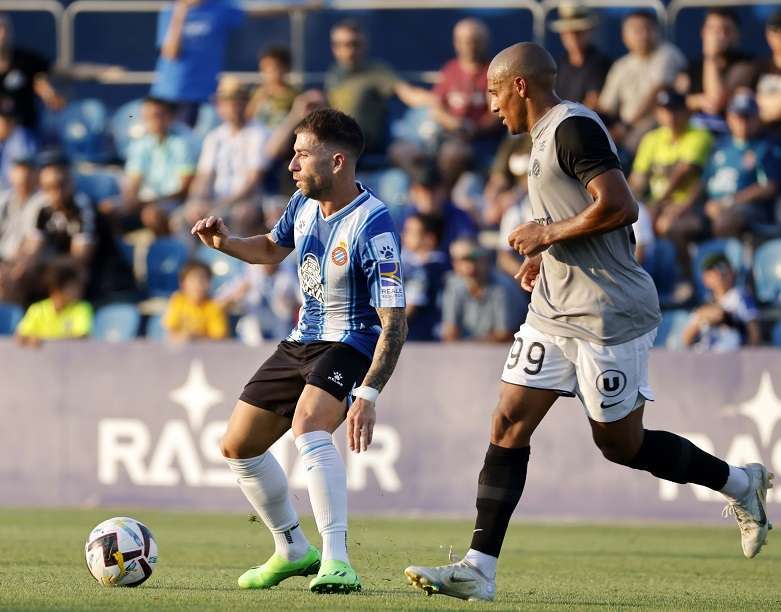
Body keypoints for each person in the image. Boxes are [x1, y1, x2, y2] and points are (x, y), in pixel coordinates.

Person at [405, 42, 772, 603]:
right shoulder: (540, 139)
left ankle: (742, 483)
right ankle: (479, 567)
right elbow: (579, 214)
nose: (492, 105)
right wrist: (544, 256)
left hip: (608, 314)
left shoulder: (573, 128)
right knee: (507, 422)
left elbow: (622, 205)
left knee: (622, 446)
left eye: (494, 92)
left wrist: (547, 235)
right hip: (554, 309)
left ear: (520, 85)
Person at [191, 109, 407, 594]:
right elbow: (271, 248)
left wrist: (368, 393)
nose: (291, 165)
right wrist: (224, 243)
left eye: (301, 154)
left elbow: (394, 322)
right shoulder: (303, 203)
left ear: (336, 161)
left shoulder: (375, 227)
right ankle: (292, 548)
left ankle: (337, 561)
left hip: (351, 341)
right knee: (237, 446)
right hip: (301, 339)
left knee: (307, 426)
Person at [630, 88, 712, 284]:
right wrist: (632, 201)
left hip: (691, 206)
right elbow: (637, 177)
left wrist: (655, 206)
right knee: (632, 221)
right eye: (665, 110)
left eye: (675, 109)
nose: (670, 116)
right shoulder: (652, 139)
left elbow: (681, 176)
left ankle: (688, 279)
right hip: (657, 206)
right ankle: (639, 280)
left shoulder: (699, 135)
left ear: (686, 111)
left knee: (667, 226)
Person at [325, 20, 432, 156]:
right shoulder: (333, 74)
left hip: (362, 145)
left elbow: (407, 93)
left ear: (364, 45)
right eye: (340, 45)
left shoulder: (377, 72)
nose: (349, 51)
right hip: (335, 143)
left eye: (355, 44)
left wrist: (436, 101)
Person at [183, 76, 271, 236]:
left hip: (249, 200)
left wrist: (221, 204)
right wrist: (196, 200)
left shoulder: (259, 133)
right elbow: (204, 176)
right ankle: (194, 260)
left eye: (237, 101)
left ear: (246, 104)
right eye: (226, 102)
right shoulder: (214, 137)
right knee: (182, 218)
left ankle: (235, 260)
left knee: (241, 215)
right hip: (217, 201)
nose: (233, 107)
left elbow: (253, 180)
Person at [102, 97, 196, 235]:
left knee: (152, 214)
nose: (151, 121)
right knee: (106, 209)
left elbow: (184, 190)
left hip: (175, 203)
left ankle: (168, 252)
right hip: (145, 202)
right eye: (147, 117)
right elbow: (134, 181)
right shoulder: (140, 144)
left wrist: (145, 202)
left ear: (169, 116)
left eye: (157, 116)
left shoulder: (184, 142)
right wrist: (129, 201)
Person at [598, 11, 687, 151]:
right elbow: (607, 107)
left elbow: (657, 92)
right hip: (625, 126)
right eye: (637, 30)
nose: (644, 35)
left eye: (649, 28)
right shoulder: (621, 65)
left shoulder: (667, 54)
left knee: (632, 143)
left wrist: (626, 126)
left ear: (658, 31)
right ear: (624, 36)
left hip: (659, 122)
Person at [151, 0, 245, 126]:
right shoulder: (170, 11)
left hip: (206, 94)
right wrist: (179, 15)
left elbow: (258, 11)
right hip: (171, 92)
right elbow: (171, 53)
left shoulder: (221, 7)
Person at [701, 92, 781, 238]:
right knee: (681, 224)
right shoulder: (720, 146)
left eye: (748, 117)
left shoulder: (766, 147)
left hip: (748, 208)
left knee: (727, 221)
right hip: (714, 205)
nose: (743, 123)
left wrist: (730, 201)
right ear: (729, 118)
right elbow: (704, 181)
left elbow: (769, 186)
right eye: (739, 117)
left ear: (757, 118)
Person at [440, 238, 524, 343]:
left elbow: (504, 335)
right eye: (464, 260)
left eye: (474, 259)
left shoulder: (503, 287)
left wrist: (468, 347)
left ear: (485, 260)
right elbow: (449, 331)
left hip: (500, 352)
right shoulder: (453, 284)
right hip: (466, 350)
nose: (471, 266)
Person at [682, 9, 756, 121]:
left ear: (737, 34)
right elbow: (676, 98)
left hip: (728, 133)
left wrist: (710, 56)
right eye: (714, 30)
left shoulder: (747, 64)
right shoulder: (692, 65)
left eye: (726, 30)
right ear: (703, 33)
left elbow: (715, 101)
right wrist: (699, 101)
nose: (720, 36)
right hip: (696, 129)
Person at [431, 18, 498, 140]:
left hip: (484, 140)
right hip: (451, 137)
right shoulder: (449, 70)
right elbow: (437, 108)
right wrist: (455, 125)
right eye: (463, 41)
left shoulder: (494, 71)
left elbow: (497, 114)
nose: (470, 46)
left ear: (484, 42)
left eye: (474, 41)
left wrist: (475, 128)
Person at [681, 253, 760, 351]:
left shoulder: (740, 297)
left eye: (723, 272)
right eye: (713, 274)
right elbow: (686, 340)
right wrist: (701, 319)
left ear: (731, 273)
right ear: (705, 279)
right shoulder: (704, 303)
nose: (720, 277)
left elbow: (754, 334)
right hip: (706, 358)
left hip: (733, 357)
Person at [0, 13, 64, 131]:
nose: (2, 34)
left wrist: (50, 96)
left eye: (4, 28)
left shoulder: (26, 62)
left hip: (22, 133)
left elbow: (58, 74)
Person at [402, 162, 477, 256]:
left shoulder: (458, 217)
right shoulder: (407, 216)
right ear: (414, 191)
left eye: (433, 191)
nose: (428, 196)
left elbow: (467, 245)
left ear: (443, 190)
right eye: (423, 190)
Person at [15, 257, 91, 346]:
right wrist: (29, 339)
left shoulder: (82, 309)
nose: (79, 290)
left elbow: (82, 337)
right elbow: (20, 336)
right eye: (74, 286)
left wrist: (44, 341)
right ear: (58, 287)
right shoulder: (37, 309)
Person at [550, 3, 611, 109]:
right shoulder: (557, 65)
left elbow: (593, 103)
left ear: (589, 31)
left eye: (578, 32)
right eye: (568, 32)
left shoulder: (601, 64)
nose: (573, 37)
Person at [401, 212, 448, 341]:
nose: (404, 236)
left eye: (411, 232)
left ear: (429, 239)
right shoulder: (442, 263)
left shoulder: (426, 268)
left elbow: (410, 307)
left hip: (419, 339)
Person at [163, 259, 228, 342]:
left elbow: (219, 339)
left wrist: (194, 339)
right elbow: (170, 331)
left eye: (203, 279)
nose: (198, 284)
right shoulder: (178, 301)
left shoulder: (214, 306)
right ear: (183, 283)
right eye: (193, 280)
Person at [246, 46, 299, 130]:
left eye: (275, 67)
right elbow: (247, 117)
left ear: (286, 68)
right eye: (265, 68)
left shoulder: (294, 96)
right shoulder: (258, 93)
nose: (270, 72)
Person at [756, 11, 781, 140]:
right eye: (776, 30)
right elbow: (742, 100)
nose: (779, 35)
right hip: (762, 141)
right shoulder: (758, 67)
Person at [0, 100, 35, 189]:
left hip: (13, 191)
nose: (7, 124)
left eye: (10, 120)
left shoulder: (23, 138)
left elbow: (23, 174)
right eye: (4, 120)